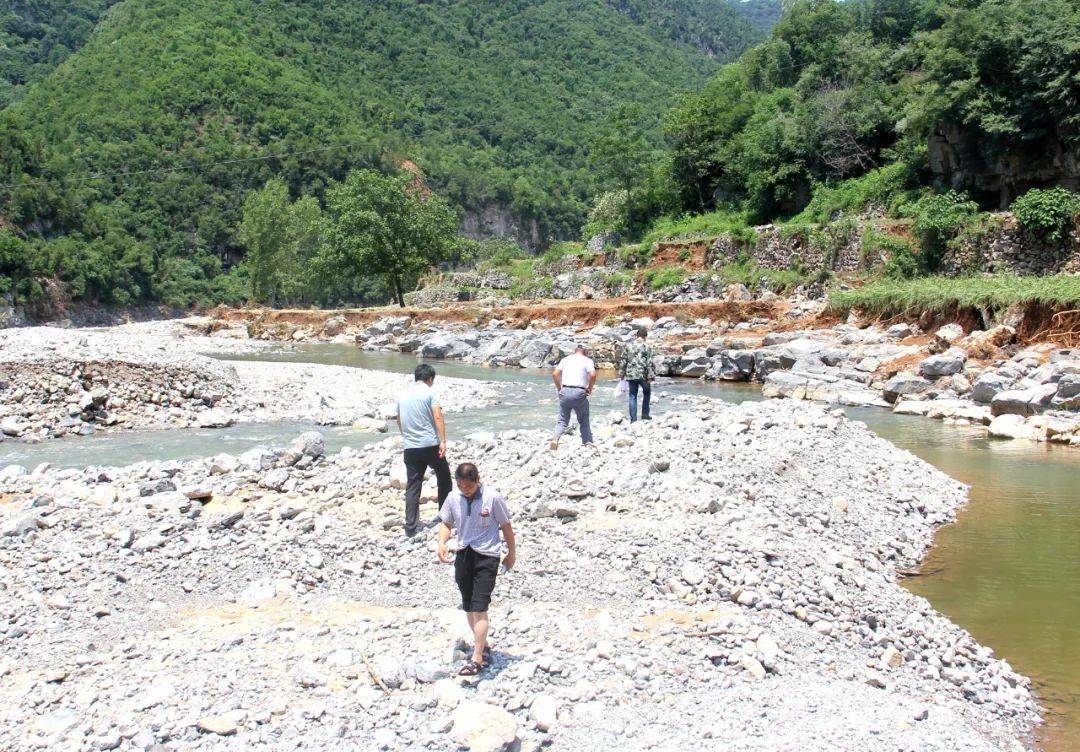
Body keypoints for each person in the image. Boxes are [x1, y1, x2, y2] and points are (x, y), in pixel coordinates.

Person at [437, 463, 516, 676]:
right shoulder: (453, 498)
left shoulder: (493, 497)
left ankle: (477, 658)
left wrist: (511, 553)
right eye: (461, 486)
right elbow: (446, 523)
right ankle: (483, 645)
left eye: (469, 486)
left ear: (477, 481)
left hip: (487, 556)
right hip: (463, 553)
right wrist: (442, 543)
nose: (465, 490)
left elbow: (506, 526)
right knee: (470, 606)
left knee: (480, 607)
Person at [396, 363, 452, 538]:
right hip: (430, 445)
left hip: (410, 447)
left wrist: (407, 437)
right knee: (444, 477)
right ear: (430, 378)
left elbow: (399, 420)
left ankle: (410, 526)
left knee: (413, 485)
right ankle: (445, 516)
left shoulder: (403, 395)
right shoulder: (430, 393)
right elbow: (438, 416)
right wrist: (443, 441)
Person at [550, 344, 596, 449]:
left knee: (562, 420)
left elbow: (555, 374)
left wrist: (559, 389)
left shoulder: (565, 359)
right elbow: (593, 375)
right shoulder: (587, 361)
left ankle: (555, 439)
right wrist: (590, 388)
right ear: (585, 351)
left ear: (575, 350)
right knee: (583, 419)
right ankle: (587, 442)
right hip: (579, 392)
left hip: (565, 391)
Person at [618, 328, 656, 422]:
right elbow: (649, 362)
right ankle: (645, 415)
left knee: (632, 396)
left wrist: (621, 373)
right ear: (645, 336)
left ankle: (633, 420)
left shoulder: (629, 346)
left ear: (637, 336)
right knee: (647, 393)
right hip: (643, 375)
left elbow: (624, 361)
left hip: (631, 375)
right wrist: (651, 376)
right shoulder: (647, 347)